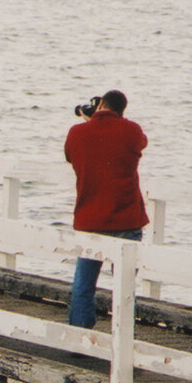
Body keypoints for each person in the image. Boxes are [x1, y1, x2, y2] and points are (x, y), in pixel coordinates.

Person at [63, 89, 148, 328]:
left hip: (90, 219)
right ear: (122, 111)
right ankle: (122, 333)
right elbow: (142, 143)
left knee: (83, 282)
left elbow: (70, 156)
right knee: (124, 287)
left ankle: (79, 334)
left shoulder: (76, 133)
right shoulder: (131, 130)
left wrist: (90, 122)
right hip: (127, 220)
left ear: (100, 105)